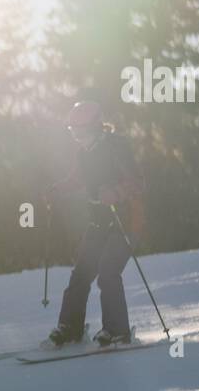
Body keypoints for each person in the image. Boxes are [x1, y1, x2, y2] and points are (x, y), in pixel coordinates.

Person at [43, 96, 145, 348]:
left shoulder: (116, 147)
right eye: (73, 132)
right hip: (98, 223)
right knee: (81, 273)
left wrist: (116, 192)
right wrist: (58, 189)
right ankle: (71, 328)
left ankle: (117, 330)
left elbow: (138, 183)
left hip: (126, 222)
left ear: (96, 126)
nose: (78, 137)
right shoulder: (84, 153)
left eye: (82, 131)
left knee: (108, 271)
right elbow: (77, 179)